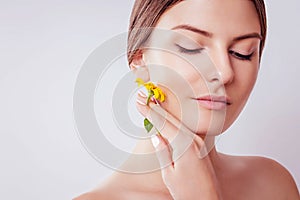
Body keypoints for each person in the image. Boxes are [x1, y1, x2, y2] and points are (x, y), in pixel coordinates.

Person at [74, 0, 300, 199]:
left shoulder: (273, 184)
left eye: (242, 52)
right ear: (140, 60)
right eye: (190, 48)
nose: (224, 73)